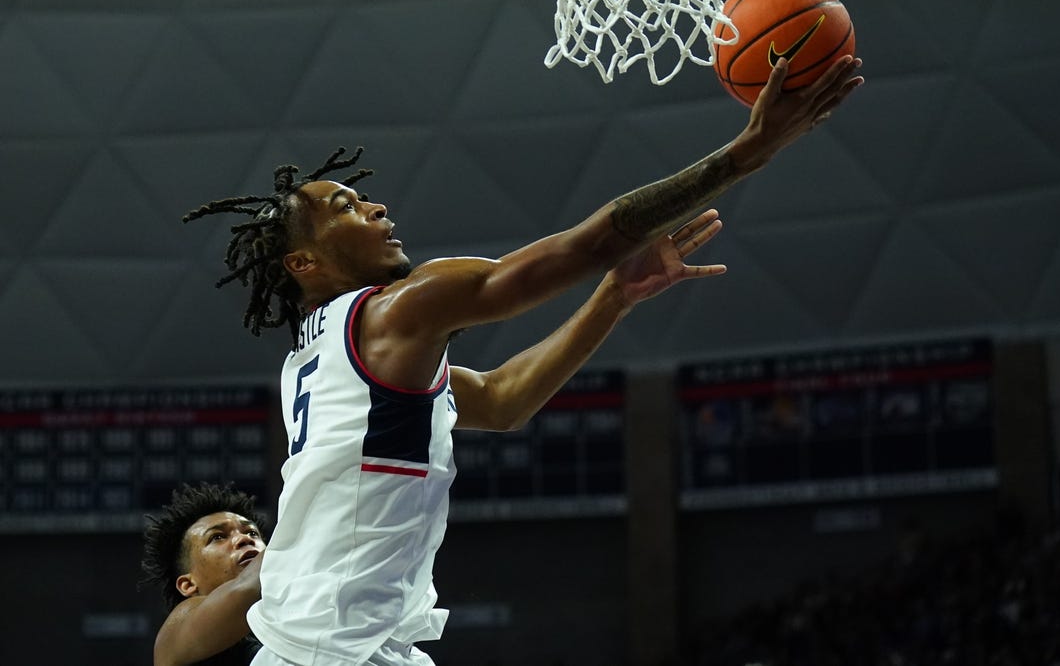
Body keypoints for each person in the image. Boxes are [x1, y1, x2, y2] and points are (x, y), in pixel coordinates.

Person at [183, 56, 863, 665]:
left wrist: (614, 299)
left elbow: (504, 400)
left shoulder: (319, 358)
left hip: (356, 643)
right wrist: (745, 154)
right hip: (328, 650)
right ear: (304, 261)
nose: (376, 206)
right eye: (347, 207)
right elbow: (576, 249)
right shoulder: (397, 311)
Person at [140, 482, 268, 666]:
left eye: (252, 533)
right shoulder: (175, 633)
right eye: (217, 537)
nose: (244, 539)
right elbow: (246, 588)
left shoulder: (290, 612)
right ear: (188, 584)